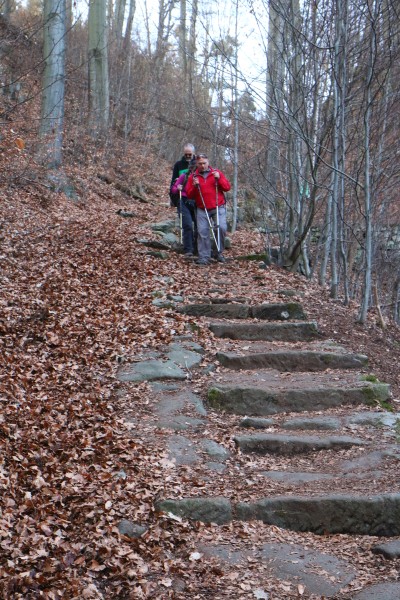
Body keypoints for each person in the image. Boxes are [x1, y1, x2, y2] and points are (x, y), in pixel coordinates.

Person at [186, 154, 231, 266]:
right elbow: (189, 195)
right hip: (202, 208)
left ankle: (218, 252)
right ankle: (204, 256)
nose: (202, 165)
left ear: (208, 162)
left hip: (218, 206)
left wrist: (219, 179)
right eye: (200, 163)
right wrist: (194, 186)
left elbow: (227, 187)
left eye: (204, 163)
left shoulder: (216, 173)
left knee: (221, 228)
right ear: (196, 164)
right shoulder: (193, 177)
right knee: (202, 231)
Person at [170, 160, 197, 258]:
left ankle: (197, 248)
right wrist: (178, 187)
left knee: (200, 226)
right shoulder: (184, 176)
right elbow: (173, 189)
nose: (193, 170)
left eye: (195, 168)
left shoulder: (200, 177)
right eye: (192, 168)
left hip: (197, 202)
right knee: (187, 225)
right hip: (184, 201)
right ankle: (188, 249)